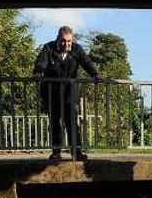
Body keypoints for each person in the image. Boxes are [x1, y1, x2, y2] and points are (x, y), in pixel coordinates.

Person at [34, 26, 102, 161]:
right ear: (58, 39)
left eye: (69, 41)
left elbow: (87, 63)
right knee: (55, 122)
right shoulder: (48, 48)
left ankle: (77, 152)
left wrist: (96, 75)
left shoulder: (77, 49)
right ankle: (56, 153)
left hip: (70, 92)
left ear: (72, 40)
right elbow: (41, 63)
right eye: (64, 41)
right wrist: (39, 72)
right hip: (52, 92)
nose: (66, 44)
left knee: (72, 122)